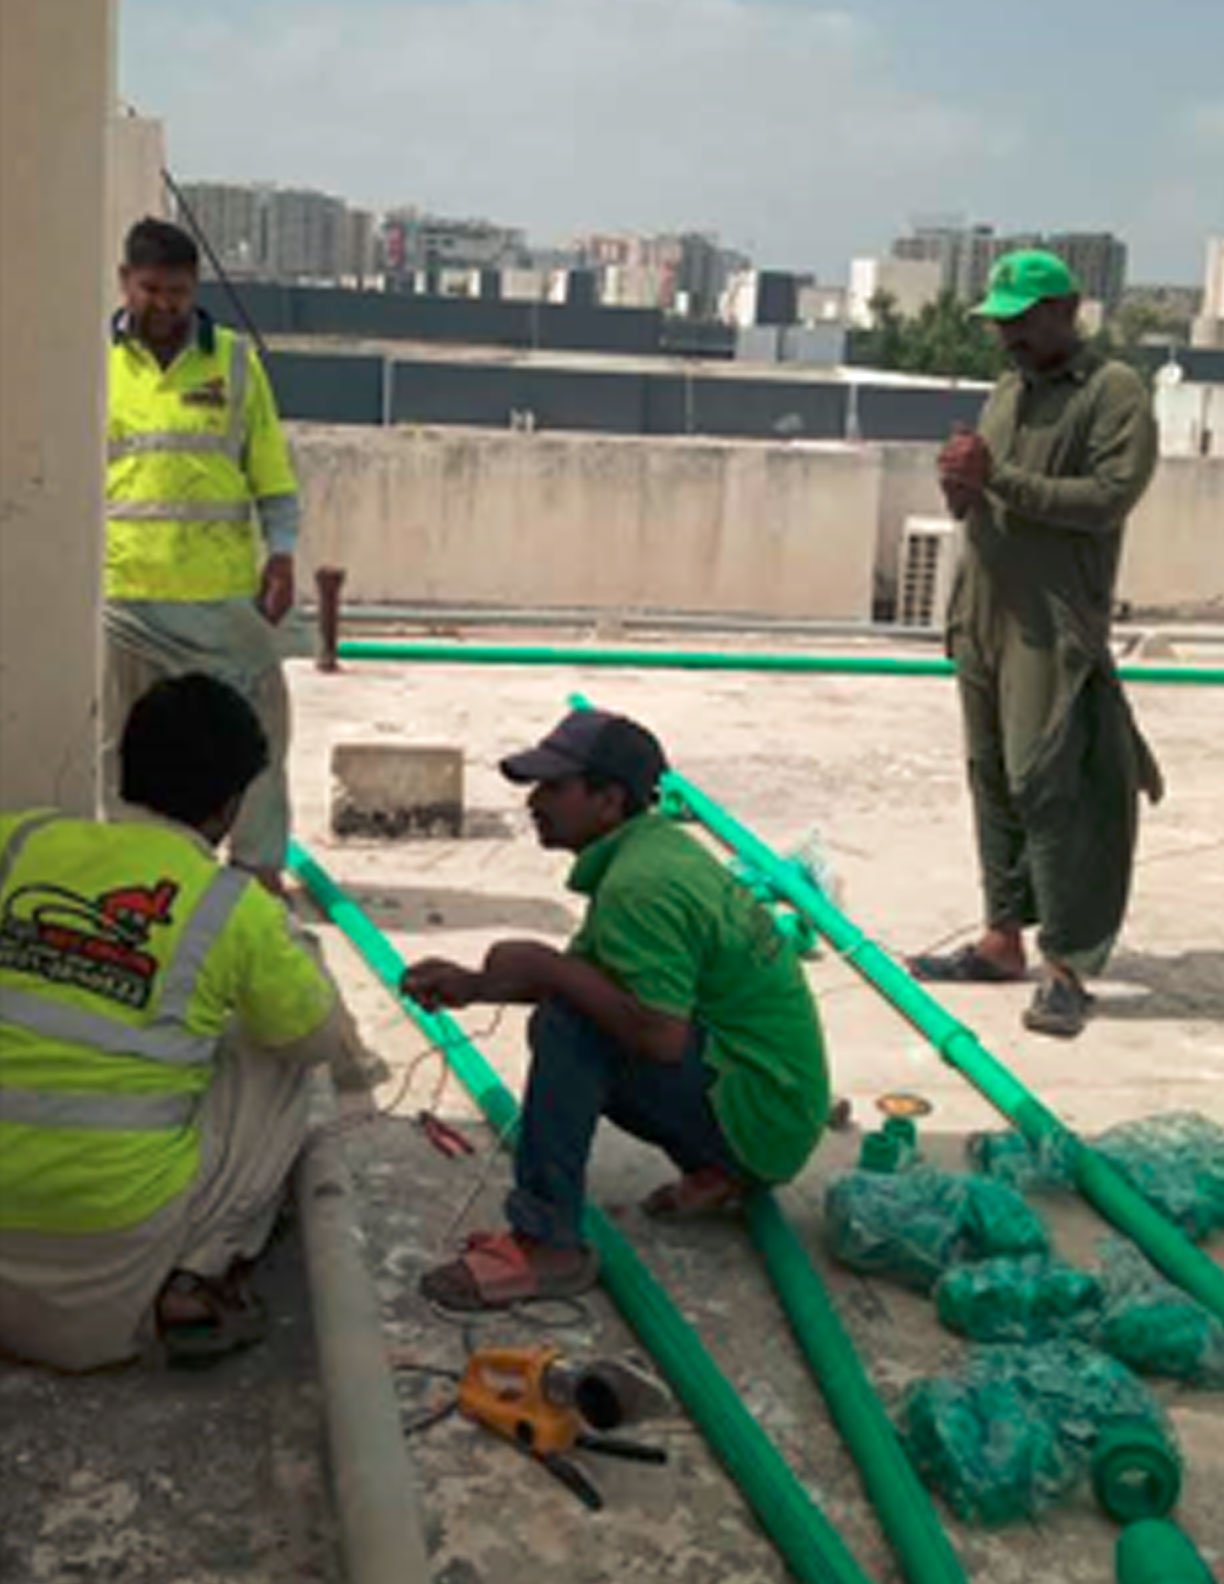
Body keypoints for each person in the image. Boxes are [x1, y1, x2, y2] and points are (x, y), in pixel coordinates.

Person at [404, 709, 830, 1311]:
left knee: (567, 1029)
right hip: (773, 1102)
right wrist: (475, 986)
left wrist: (548, 969)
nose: (535, 802)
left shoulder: (640, 886)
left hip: (763, 1117)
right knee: (576, 1007)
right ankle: (718, 1168)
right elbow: (603, 980)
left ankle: (549, 1242)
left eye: (555, 787)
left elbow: (659, 1038)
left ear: (608, 800)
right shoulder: (652, 852)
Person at [0, 675, 345, 1371]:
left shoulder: (18, 841)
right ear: (231, 804)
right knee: (280, 1051)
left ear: (121, 766)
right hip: (108, 1247)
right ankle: (197, 1273)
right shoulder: (231, 908)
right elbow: (323, 1039)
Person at [909, 250, 1162, 1038]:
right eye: (1000, 322)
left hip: (1051, 623)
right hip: (983, 610)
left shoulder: (1112, 393)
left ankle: (1067, 963)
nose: (1008, 336)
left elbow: (1107, 498)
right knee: (991, 777)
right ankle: (1001, 938)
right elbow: (984, 497)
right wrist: (961, 488)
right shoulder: (1008, 389)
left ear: (1066, 309)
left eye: (1021, 320)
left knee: (1048, 784)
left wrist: (996, 478)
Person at [103, 217, 301, 894]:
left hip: (220, 600)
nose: (166, 305)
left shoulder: (235, 363)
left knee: (258, 733)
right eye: (152, 289)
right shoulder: (93, 365)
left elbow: (272, 475)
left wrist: (282, 553)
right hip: (121, 596)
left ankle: (256, 869)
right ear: (125, 282)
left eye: (179, 292)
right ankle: (137, 869)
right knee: (121, 742)